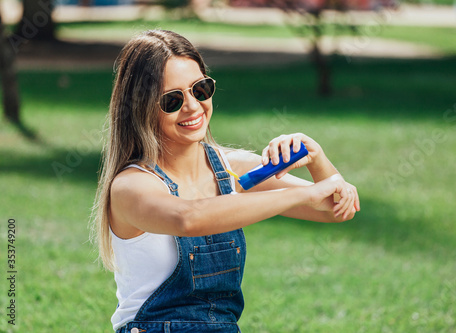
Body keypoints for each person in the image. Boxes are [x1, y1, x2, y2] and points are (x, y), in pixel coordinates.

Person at [91, 29, 360, 333]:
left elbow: (334, 207)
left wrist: (317, 156)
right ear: (141, 107)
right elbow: (188, 219)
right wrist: (301, 195)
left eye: (200, 89)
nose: (193, 106)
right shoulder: (131, 186)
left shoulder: (232, 170)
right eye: (172, 100)